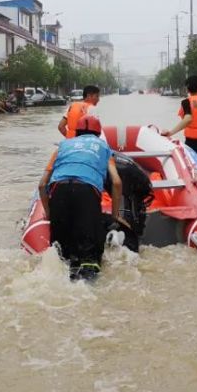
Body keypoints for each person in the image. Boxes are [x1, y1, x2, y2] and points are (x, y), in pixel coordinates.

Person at [39, 114, 125, 281]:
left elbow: (42, 185)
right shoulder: (103, 147)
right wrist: (115, 216)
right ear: (99, 133)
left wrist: (49, 213)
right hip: (86, 192)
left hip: (59, 191)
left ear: (76, 132)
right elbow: (116, 182)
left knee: (60, 256)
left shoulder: (63, 146)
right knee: (89, 257)